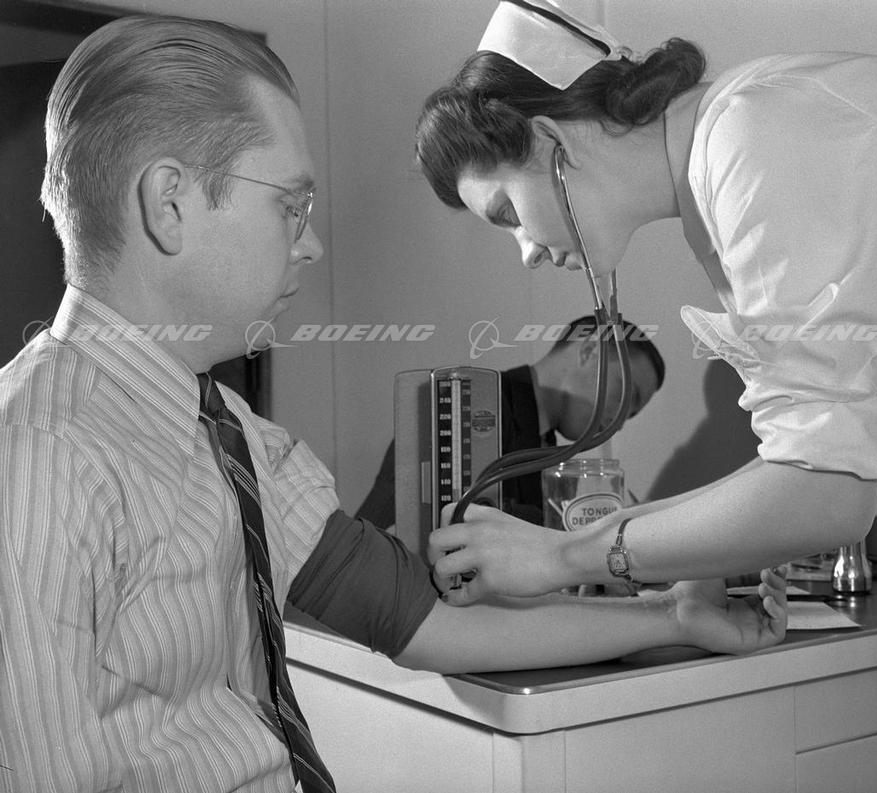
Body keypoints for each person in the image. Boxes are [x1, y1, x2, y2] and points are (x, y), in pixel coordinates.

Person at [0, 15, 788, 793]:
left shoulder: (231, 437)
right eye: (290, 205)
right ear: (169, 203)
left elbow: (422, 620)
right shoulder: (35, 453)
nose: (310, 243)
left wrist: (674, 618)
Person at [416, 1, 877, 790]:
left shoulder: (756, 135)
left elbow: (824, 494)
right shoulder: (733, 159)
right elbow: (807, 460)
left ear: (550, 143)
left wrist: (561, 555)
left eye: (507, 213)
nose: (526, 251)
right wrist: (684, 557)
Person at [356, 314, 665, 527]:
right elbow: (424, 525)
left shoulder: (547, 451)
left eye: (632, 414)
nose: (620, 422)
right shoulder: (469, 403)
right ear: (590, 350)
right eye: (627, 396)